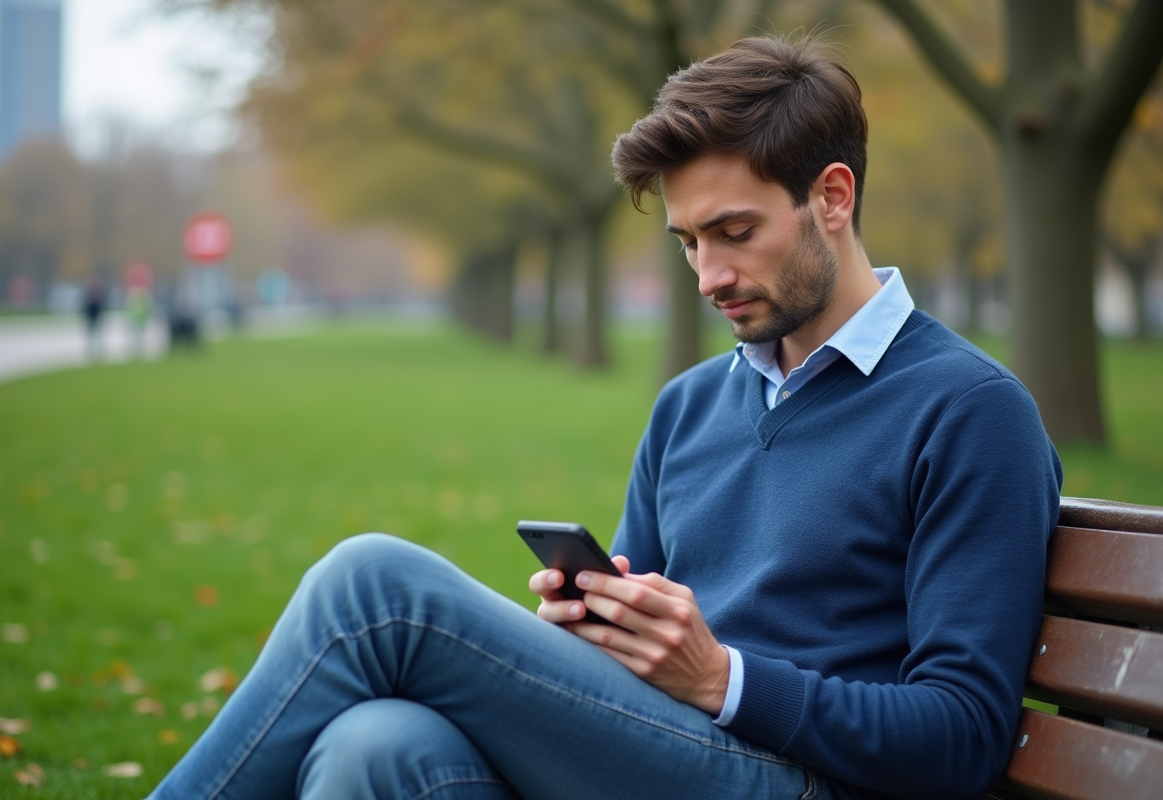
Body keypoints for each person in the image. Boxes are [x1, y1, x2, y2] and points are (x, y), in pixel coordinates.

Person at [146, 34, 1060, 800]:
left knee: (375, 586)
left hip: (809, 780)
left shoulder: (970, 412)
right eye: (689, 242)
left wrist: (723, 679)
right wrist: (589, 627)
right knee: (375, 746)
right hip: (672, 754)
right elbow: (632, 656)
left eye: (735, 232)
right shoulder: (690, 406)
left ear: (831, 197)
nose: (708, 277)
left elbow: (964, 736)